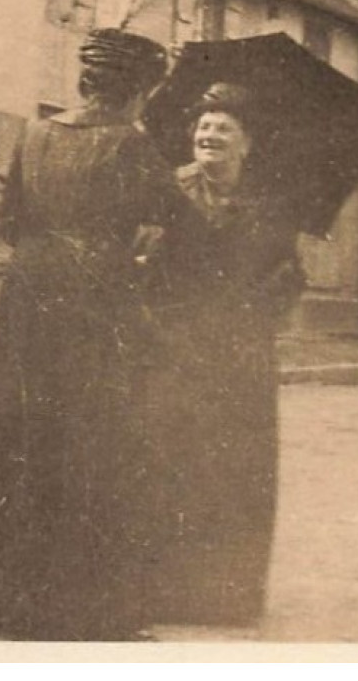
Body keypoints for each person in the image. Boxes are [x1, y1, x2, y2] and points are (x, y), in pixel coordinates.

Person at [0, 27, 172, 641]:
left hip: (29, 298)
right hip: (96, 300)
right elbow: (155, 239)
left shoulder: (36, 133)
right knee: (94, 438)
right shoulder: (135, 146)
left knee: (21, 430)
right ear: (137, 90)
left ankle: (2, 593)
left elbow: (12, 225)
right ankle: (83, 605)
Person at [129, 82, 304, 629]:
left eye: (223, 129)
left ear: (246, 144)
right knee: (165, 461)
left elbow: (291, 276)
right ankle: (157, 589)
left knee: (233, 471)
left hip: (239, 356)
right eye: (203, 128)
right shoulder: (167, 190)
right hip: (173, 347)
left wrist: (262, 303)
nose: (210, 136)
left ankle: (225, 595)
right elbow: (140, 258)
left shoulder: (270, 205)